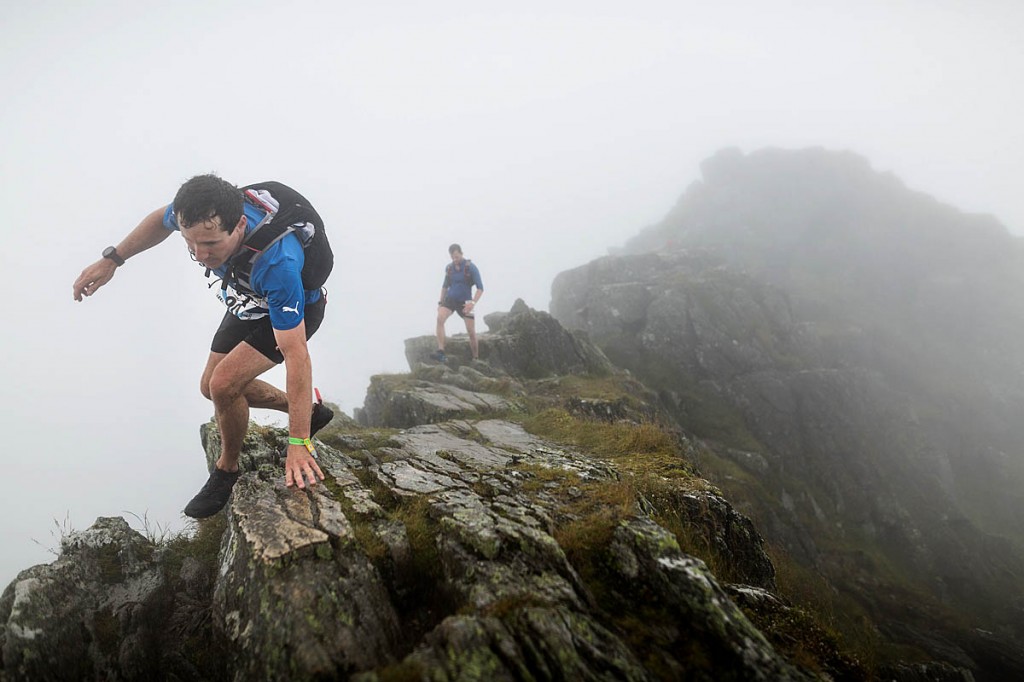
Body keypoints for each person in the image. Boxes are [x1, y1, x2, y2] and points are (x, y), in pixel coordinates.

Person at [72, 175, 334, 518]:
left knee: (223, 385)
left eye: (210, 244)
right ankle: (312, 413)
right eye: (191, 243)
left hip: (293, 304)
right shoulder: (201, 214)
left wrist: (298, 442)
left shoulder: (278, 262)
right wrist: (112, 259)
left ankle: (227, 470)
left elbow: (296, 356)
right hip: (250, 298)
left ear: (239, 224)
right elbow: (159, 220)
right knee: (209, 387)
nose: (200, 254)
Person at [433, 243, 484, 362]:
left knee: (471, 332)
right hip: (450, 299)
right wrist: (441, 302)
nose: (455, 259)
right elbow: (445, 286)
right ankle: (441, 351)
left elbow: (480, 288)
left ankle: (475, 358)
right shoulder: (449, 268)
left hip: (466, 301)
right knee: (440, 318)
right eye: (452, 257)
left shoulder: (471, 267)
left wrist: (472, 303)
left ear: (461, 253)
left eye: (456, 256)